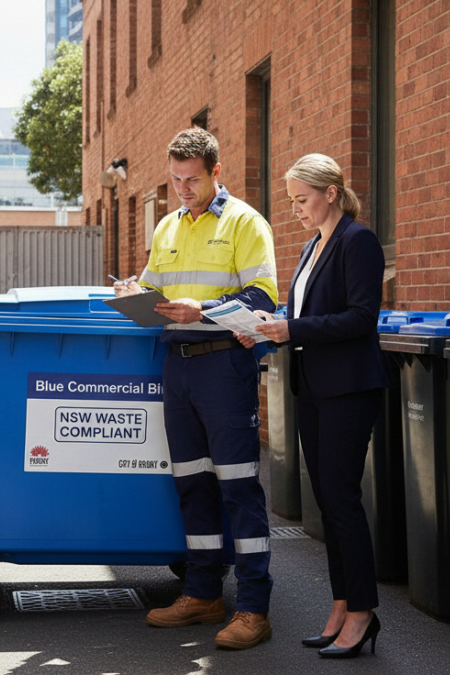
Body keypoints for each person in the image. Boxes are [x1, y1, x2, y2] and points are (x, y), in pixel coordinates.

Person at [113, 127, 278, 650]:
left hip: (224, 366)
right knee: (191, 483)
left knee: (238, 487)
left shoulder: (245, 222)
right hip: (177, 367)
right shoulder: (167, 227)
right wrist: (134, 292)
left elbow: (262, 298)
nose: (183, 188)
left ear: (215, 173)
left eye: (192, 179)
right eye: (175, 179)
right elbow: (157, 289)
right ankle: (203, 593)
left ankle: (253, 607)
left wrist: (201, 310)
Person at [238, 153, 388, 659]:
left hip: (349, 389)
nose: (295, 209)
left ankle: (363, 612)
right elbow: (303, 315)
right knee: (327, 502)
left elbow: (363, 317)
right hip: (314, 388)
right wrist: (265, 326)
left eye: (302, 199)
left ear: (330, 192)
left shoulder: (357, 241)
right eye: (291, 201)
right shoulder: (309, 249)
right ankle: (342, 605)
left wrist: (292, 329)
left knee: (342, 500)